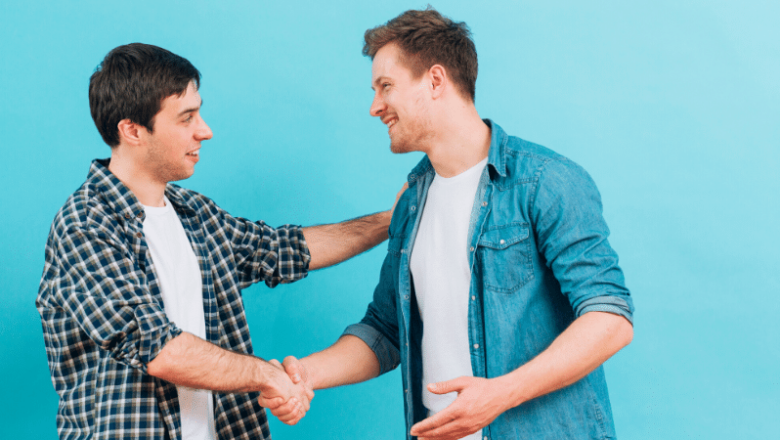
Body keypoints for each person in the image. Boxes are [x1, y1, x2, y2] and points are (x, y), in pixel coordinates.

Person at [264, 8, 635, 440]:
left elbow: (610, 317)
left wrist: (500, 395)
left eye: (386, 87)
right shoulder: (412, 201)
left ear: (435, 80)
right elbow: (385, 330)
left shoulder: (544, 182)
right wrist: (305, 374)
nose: (374, 107)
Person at [36, 43, 402, 440]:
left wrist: (394, 219)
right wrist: (266, 376)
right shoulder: (86, 226)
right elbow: (160, 350)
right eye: (186, 118)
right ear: (133, 130)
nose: (204, 130)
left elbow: (285, 250)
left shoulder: (195, 215)